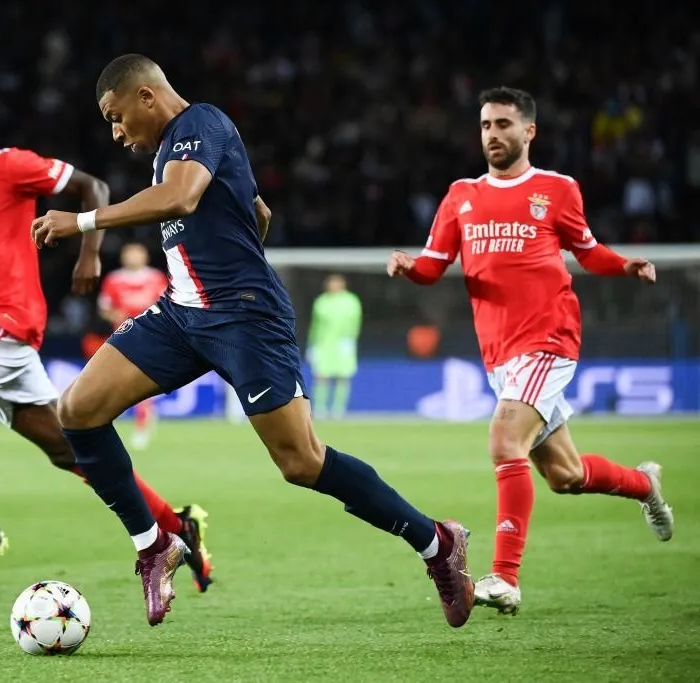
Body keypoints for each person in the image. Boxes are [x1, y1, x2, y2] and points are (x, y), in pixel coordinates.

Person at [31, 54, 474, 628]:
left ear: (146, 95)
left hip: (244, 317)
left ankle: (438, 543)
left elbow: (181, 198)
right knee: (78, 410)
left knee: (301, 462)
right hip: (183, 311)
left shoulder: (201, 124)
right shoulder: (172, 148)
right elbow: (258, 212)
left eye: (117, 117)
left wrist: (84, 222)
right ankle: (154, 543)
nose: (117, 133)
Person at [0, 81, 212, 592]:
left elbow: (92, 186)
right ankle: (176, 524)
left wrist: (89, 252)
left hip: (4, 320)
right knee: (72, 453)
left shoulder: (7, 165)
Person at [387, 86, 673, 615]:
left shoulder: (557, 189)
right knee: (564, 476)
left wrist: (625, 264)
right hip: (500, 352)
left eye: (502, 124)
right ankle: (644, 485)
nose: (492, 135)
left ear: (528, 131)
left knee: (502, 441)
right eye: (485, 126)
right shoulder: (460, 195)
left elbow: (587, 252)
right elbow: (433, 266)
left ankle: (506, 578)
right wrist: (410, 267)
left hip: (549, 337)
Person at [97, 242, 170, 450]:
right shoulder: (113, 280)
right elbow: (104, 308)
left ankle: (142, 425)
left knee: (139, 381)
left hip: (151, 337)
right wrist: (115, 315)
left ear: (145, 256)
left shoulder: (156, 278)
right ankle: (112, 422)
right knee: (115, 383)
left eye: (137, 253)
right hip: (120, 339)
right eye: (129, 253)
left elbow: (168, 304)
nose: (133, 257)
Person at [307, 274, 362, 419]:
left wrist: (351, 340)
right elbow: (316, 325)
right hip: (324, 344)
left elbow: (356, 322)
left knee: (343, 376)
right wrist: (312, 345)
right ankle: (320, 408)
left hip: (343, 344)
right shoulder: (321, 301)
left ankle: (338, 409)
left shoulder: (351, 301)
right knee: (321, 376)